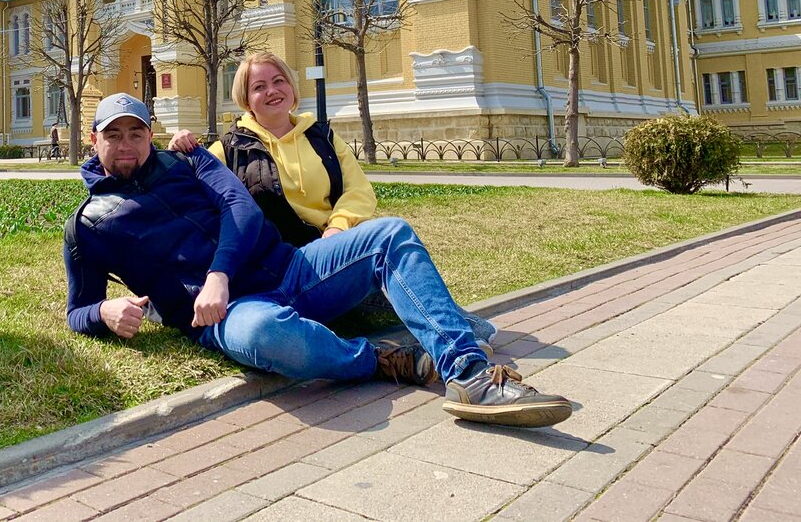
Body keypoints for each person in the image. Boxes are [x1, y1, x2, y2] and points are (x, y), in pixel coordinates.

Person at [64, 92, 573, 428]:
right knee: (269, 336)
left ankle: (469, 376)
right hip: (229, 315)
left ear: (150, 133)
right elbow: (77, 312)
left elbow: (239, 205)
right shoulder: (88, 226)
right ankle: (385, 358)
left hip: (292, 270)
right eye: (113, 135)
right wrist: (105, 313)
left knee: (389, 234)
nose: (127, 145)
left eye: (136, 133)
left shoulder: (190, 162)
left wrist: (218, 270)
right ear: (94, 139)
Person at [168, 51, 495, 348]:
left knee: (471, 324)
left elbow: (358, 190)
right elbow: (188, 193)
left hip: (335, 250)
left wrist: (338, 228)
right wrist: (181, 147)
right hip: (281, 267)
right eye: (260, 86)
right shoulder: (228, 149)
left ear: (292, 89)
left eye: (279, 81)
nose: (272, 91)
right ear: (246, 99)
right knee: (408, 286)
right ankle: (455, 343)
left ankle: (453, 339)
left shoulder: (322, 137)